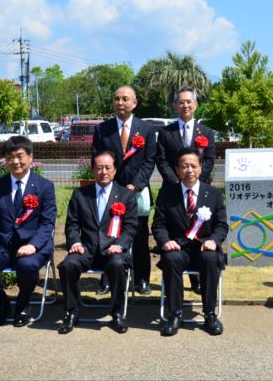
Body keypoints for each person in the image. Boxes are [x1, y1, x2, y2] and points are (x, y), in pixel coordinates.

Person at [0, 136, 56, 327]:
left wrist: (33, 246)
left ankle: (23, 305)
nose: (15, 161)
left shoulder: (44, 187)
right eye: (10, 157)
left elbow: (47, 223)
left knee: (27, 265)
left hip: (32, 246)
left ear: (30, 157)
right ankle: (1, 304)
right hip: (2, 245)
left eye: (20, 156)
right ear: (5, 160)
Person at [57, 151, 138, 334]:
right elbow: (72, 224)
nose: (103, 172)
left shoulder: (126, 195)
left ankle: (117, 312)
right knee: (67, 265)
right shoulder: (80, 194)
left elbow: (131, 226)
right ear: (93, 170)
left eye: (108, 167)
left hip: (114, 249)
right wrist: (75, 242)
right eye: (99, 167)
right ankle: (71, 312)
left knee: (117, 264)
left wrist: (121, 245)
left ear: (115, 170)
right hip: (86, 249)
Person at [152, 149, 228, 336]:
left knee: (211, 259)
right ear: (177, 169)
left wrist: (214, 240)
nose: (189, 170)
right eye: (184, 166)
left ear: (201, 168)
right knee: (170, 259)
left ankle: (210, 314)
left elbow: (222, 225)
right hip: (178, 246)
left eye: (193, 165)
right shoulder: (167, 193)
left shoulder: (214, 193)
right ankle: (175, 314)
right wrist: (166, 241)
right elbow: (158, 225)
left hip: (204, 246)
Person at [92, 85, 156, 295]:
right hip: (110, 191)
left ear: (134, 103)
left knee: (139, 235)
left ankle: (142, 279)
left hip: (137, 192)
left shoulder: (146, 129)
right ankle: (108, 277)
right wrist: (112, 186)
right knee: (108, 234)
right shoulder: (103, 129)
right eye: (117, 98)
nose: (120, 102)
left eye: (125, 99)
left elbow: (149, 161)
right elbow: (98, 159)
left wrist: (135, 185)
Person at [155, 85, 216, 294]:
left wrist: (195, 180)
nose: (185, 105)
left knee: (199, 230)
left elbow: (209, 160)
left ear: (196, 105)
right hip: (173, 190)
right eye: (181, 102)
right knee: (179, 230)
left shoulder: (206, 132)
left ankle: (198, 279)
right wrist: (177, 181)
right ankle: (178, 278)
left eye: (189, 101)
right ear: (175, 106)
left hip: (200, 190)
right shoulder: (165, 132)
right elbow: (161, 160)